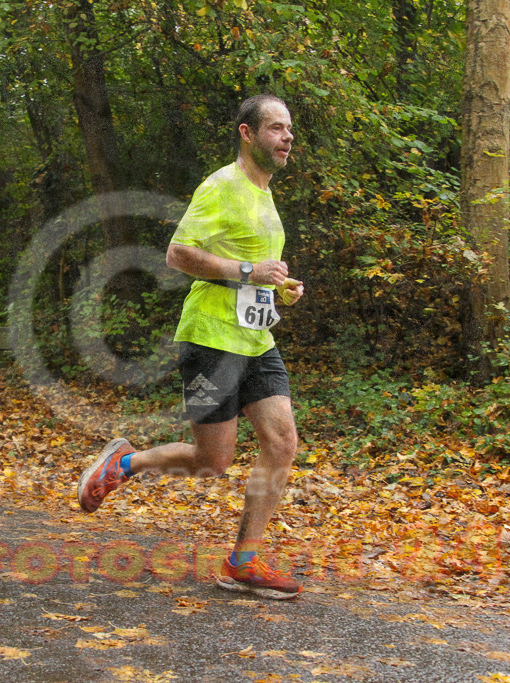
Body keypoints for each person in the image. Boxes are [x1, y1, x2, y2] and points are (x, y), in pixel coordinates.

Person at [77, 94, 306, 600]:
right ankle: (124, 464)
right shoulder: (223, 186)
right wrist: (248, 271)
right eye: (275, 128)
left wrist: (279, 289)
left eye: (289, 128)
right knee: (212, 462)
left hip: (256, 338)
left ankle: (244, 560)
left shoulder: (266, 197)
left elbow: (256, 272)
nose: (287, 136)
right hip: (211, 339)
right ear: (247, 134)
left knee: (282, 441)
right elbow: (178, 253)